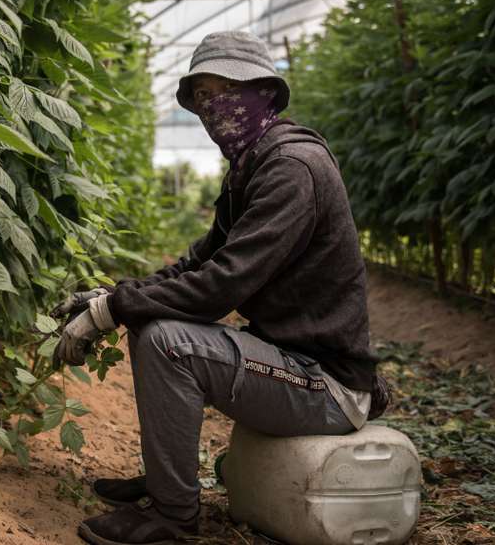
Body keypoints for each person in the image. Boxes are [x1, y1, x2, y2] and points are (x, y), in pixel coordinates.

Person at [52, 31, 389, 545]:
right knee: (153, 323)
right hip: (291, 364)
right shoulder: (251, 169)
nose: (214, 108)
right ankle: (169, 479)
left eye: (227, 89)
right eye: (203, 97)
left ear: (265, 93)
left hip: (326, 386)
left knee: (169, 340)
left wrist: (113, 310)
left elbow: (220, 286)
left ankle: (173, 517)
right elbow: (196, 263)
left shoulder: (292, 169)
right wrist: (113, 295)